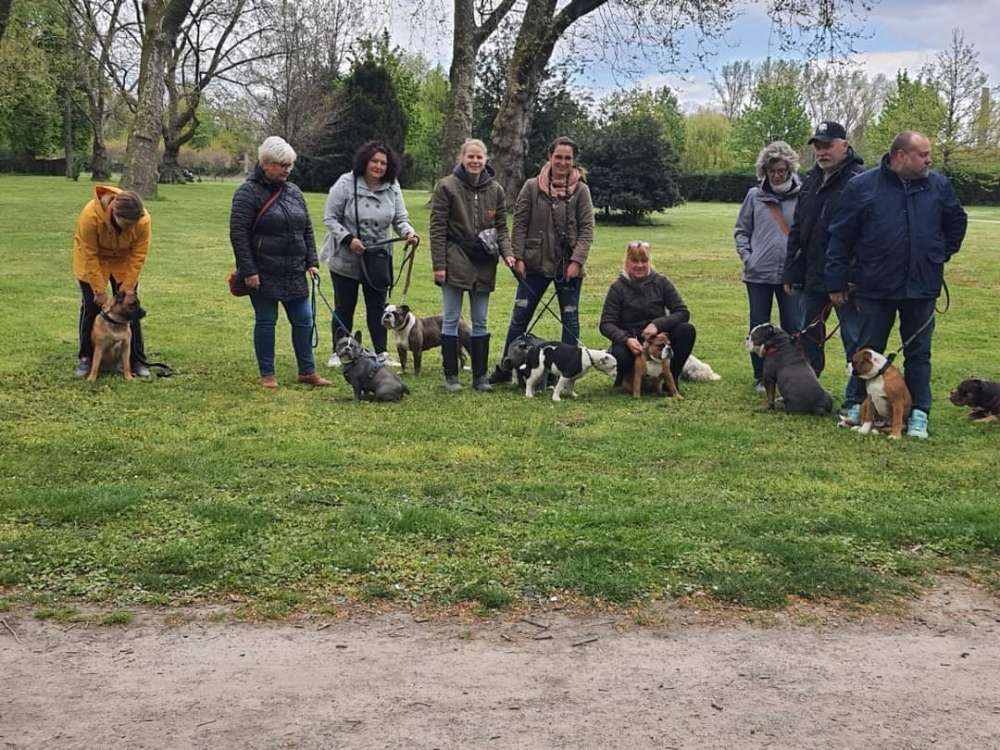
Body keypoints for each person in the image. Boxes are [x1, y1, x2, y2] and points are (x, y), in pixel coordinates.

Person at [826, 130, 967, 439]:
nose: (929, 159)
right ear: (900, 156)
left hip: (922, 287)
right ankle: (856, 404)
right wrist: (836, 280)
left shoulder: (939, 185)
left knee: (919, 353)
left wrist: (939, 254)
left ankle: (918, 413)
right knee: (866, 349)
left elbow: (957, 222)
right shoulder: (862, 186)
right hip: (876, 287)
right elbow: (840, 236)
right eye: (923, 154)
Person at [489, 136, 595, 384]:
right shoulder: (531, 186)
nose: (563, 162)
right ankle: (507, 367)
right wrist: (518, 257)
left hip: (567, 266)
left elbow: (587, 230)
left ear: (573, 160)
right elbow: (520, 225)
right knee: (519, 319)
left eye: (568, 158)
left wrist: (577, 262)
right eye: (558, 157)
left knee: (570, 321)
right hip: (534, 265)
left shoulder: (581, 190)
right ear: (550, 157)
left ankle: (566, 375)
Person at [229, 135, 330, 389]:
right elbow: (238, 235)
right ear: (266, 163)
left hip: (294, 271)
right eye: (282, 165)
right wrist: (249, 270)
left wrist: (312, 261)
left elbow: (306, 228)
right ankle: (267, 374)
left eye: (290, 165)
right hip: (262, 272)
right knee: (266, 321)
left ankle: (307, 371)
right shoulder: (246, 193)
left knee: (304, 319)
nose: (287, 170)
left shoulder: (294, 192)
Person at [783, 121, 866, 422]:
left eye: (828, 145)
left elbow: (865, 234)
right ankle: (809, 389)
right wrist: (791, 271)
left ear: (844, 145)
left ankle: (857, 399)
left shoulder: (861, 180)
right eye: (817, 146)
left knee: (854, 339)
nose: (821, 151)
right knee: (808, 336)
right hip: (812, 275)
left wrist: (850, 276)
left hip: (846, 278)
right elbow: (798, 229)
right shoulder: (810, 180)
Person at [319, 141, 418, 367]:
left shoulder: (393, 186)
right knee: (345, 305)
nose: (379, 166)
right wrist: (348, 239)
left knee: (378, 306)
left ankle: (381, 352)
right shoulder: (345, 183)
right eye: (374, 161)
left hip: (378, 259)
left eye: (383, 162)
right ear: (365, 161)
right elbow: (330, 218)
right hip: (346, 257)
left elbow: (400, 219)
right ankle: (339, 351)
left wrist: (408, 232)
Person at [429, 138, 514, 392]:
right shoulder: (446, 187)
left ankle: (479, 377)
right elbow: (437, 229)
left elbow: (501, 227)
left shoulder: (496, 190)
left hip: (484, 263)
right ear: (462, 158)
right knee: (451, 318)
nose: (475, 161)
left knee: (480, 320)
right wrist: (439, 265)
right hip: (455, 258)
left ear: (486, 159)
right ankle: (451, 376)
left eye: (480, 157)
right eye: (471, 157)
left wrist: (507, 254)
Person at [734, 141, 803, 392]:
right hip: (758, 274)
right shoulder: (754, 196)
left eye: (781, 170)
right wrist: (747, 256)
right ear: (765, 170)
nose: (776, 175)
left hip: (790, 274)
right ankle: (761, 377)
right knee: (758, 325)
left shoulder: (802, 195)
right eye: (772, 170)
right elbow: (742, 230)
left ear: (789, 170)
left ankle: (792, 373)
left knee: (793, 325)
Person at [72, 186, 151, 378]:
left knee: (131, 307)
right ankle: (86, 358)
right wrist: (99, 291)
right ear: (114, 211)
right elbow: (89, 254)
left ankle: (136, 360)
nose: (131, 229)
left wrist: (127, 287)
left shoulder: (143, 220)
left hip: (123, 261)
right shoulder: (90, 216)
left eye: (134, 224)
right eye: (127, 225)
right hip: (93, 260)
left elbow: (138, 255)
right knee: (91, 306)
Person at [600, 241, 696, 388]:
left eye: (644, 261)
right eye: (635, 261)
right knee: (620, 355)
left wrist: (657, 325)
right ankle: (627, 378)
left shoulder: (661, 282)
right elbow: (606, 324)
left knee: (686, 330)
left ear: (649, 261)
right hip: (632, 341)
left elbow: (682, 312)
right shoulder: (617, 288)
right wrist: (626, 339)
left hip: (658, 339)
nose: (640, 265)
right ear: (627, 262)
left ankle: (671, 378)